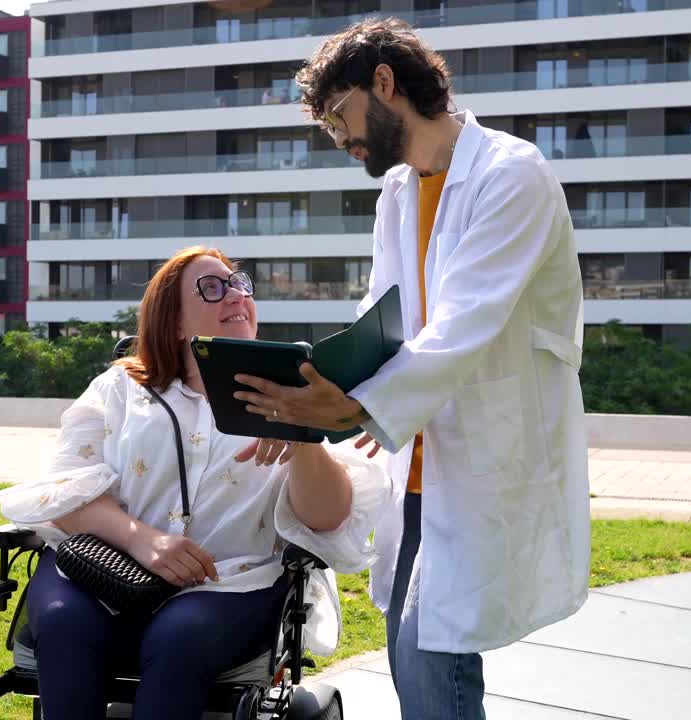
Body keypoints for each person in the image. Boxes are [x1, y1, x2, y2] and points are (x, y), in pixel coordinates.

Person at [231, 18, 591, 720]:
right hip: (422, 456)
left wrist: (360, 408)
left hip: (488, 451)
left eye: (340, 115)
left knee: (433, 660)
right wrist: (316, 393)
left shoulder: (511, 174)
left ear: (386, 83)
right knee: (408, 650)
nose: (340, 138)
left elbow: (465, 323)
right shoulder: (399, 191)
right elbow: (384, 316)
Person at [0, 246, 388, 719]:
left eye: (240, 283)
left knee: (181, 635)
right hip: (102, 569)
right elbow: (63, 494)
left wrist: (300, 436)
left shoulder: (297, 398)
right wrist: (145, 541)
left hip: (229, 584)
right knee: (63, 624)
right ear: (176, 321)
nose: (235, 295)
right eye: (212, 287)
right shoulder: (121, 390)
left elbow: (327, 519)